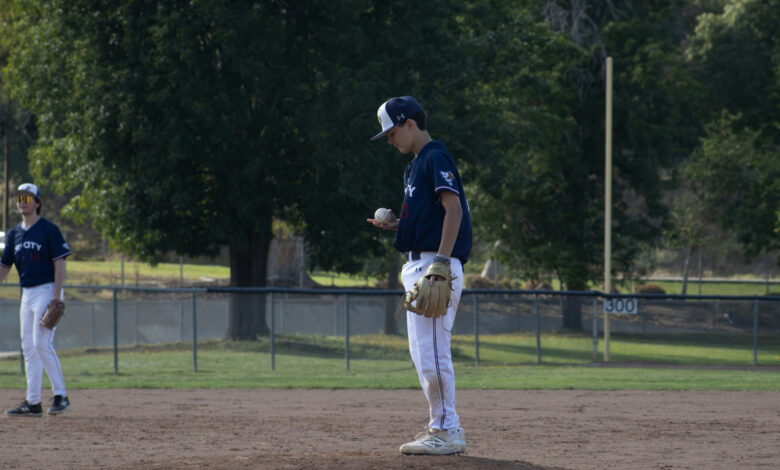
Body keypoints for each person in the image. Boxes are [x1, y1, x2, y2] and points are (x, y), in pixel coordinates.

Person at [367, 96, 472, 455]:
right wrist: (400, 225)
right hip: (418, 265)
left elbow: (453, 209)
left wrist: (441, 262)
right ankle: (441, 425)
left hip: (434, 266)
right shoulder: (414, 167)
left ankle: (447, 430)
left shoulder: (435, 157)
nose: (390, 140)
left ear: (410, 123)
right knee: (422, 354)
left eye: (393, 132)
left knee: (433, 354)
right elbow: (431, 217)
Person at [2, 183, 72, 417]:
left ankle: (61, 395)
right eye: (20, 197)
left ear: (38, 203)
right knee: (29, 347)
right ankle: (33, 402)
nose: (23, 201)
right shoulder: (14, 233)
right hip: (27, 293)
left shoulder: (48, 229)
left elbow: (59, 262)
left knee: (42, 343)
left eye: (28, 197)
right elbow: (4, 266)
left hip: (47, 290)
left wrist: (56, 297)